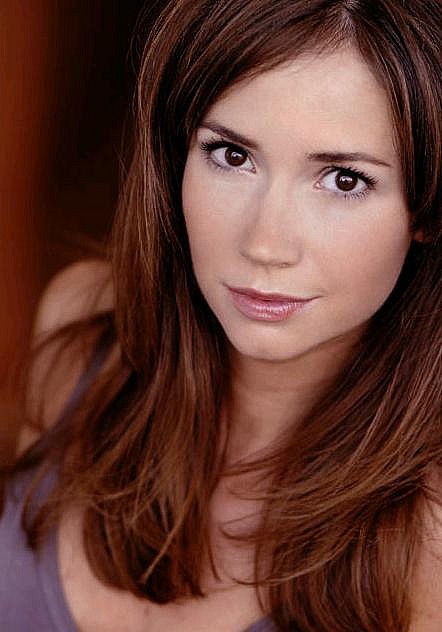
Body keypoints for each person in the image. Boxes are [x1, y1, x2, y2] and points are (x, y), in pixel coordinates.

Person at [1, 0, 441, 630]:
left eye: (344, 180)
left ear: (426, 209)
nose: (265, 243)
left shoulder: (428, 538)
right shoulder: (82, 331)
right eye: (232, 156)